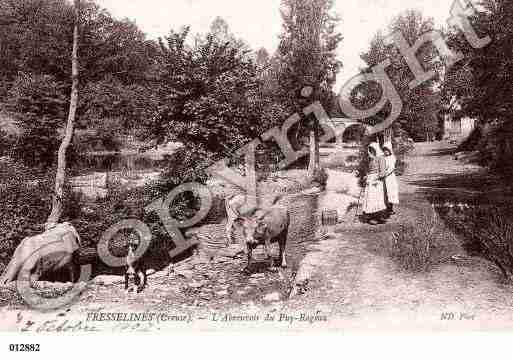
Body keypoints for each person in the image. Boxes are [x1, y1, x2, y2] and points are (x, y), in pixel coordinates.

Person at [360, 142, 387, 224]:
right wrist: (366, 176)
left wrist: (376, 178)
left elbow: (382, 172)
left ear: (376, 149)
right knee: (370, 198)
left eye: (373, 150)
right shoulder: (371, 159)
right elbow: (369, 170)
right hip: (370, 180)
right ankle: (371, 217)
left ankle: (378, 216)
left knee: (377, 198)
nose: (371, 152)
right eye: (370, 150)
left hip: (377, 181)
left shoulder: (381, 158)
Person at [382, 142, 399, 216]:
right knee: (384, 192)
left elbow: (391, 168)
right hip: (383, 177)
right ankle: (385, 208)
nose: (386, 152)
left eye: (387, 150)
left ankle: (390, 208)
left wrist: (385, 174)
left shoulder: (392, 158)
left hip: (390, 177)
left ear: (390, 150)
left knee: (391, 192)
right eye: (384, 150)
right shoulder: (382, 157)